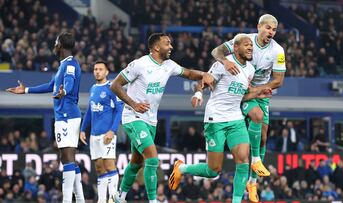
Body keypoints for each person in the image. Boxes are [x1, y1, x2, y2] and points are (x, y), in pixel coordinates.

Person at [168, 34, 272, 203]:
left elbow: (242, 95)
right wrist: (198, 93)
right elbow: (204, 80)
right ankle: (182, 168)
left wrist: (259, 92)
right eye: (246, 45)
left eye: (251, 46)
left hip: (236, 120)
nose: (250, 48)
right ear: (236, 48)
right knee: (213, 170)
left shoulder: (250, 70)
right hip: (215, 120)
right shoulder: (222, 65)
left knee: (243, 160)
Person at [110, 33, 211, 203]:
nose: (171, 47)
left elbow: (189, 73)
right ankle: (153, 200)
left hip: (151, 120)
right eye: (167, 44)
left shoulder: (169, 65)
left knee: (136, 162)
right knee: (153, 158)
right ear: (156, 47)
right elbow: (115, 85)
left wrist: (207, 74)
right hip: (133, 117)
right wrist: (134, 104)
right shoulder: (139, 65)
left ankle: (120, 196)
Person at [211, 14, 286, 202]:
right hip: (242, 92)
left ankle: (252, 182)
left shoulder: (278, 51)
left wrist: (258, 89)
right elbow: (216, 51)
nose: (271, 32)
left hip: (260, 91)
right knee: (257, 115)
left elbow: (278, 80)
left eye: (274, 30)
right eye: (268, 28)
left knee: (263, 137)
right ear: (258, 26)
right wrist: (225, 61)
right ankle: (255, 160)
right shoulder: (245, 40)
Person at [6, 32, 85, 203]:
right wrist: (26, 90)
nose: (54, 46)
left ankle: (68, 200)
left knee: (67, 158)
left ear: (60, 45)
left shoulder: (70, 64)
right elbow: (50, 86)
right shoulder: (63, 65)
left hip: (67, 115)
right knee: (68, 158)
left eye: (56, 43)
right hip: (66, 115)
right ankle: (80, 199)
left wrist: (65, 91)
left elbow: (69, 83)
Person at [79, 61, 124, 202]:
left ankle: (113, 197)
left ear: (106, 72)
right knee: (99, 168)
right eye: (95, 69)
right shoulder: (93, 88)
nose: (97, 71)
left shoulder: (112, 87)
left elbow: (119, 110)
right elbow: (89, 111)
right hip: (94, 135)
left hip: (107, 134)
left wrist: (112, 131)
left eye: (100, 69)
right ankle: (102, 199)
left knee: (110, 165)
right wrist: (82, 129)